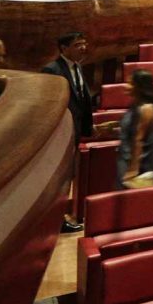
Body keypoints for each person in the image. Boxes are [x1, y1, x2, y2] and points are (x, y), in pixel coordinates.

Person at [43, 31, 99, 232]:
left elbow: (81, 102)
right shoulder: (52, 70)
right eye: (77, 44)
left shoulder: (77, 68)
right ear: (64, 49)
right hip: (59, 134)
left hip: (73, 133)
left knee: (66, 178)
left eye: (84, 43)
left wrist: (87, 127)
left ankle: (59, 219)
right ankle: (55, 222)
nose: (83, 47)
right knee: (57, 179)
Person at [116, 69, 153, 189]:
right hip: (126, 157)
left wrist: (133, 169)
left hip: (143, 164)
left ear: (140, 87)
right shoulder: (135, 104)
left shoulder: (147, 108)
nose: (126, 86)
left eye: (130, 83)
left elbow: (138, 140)